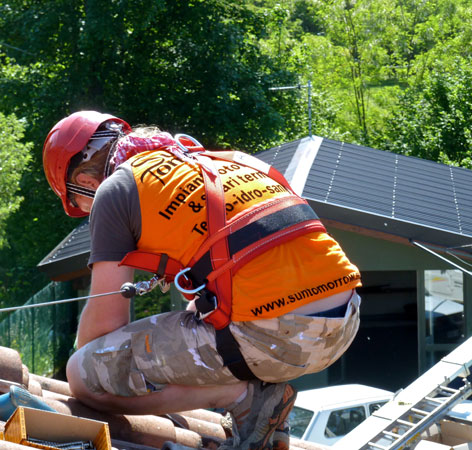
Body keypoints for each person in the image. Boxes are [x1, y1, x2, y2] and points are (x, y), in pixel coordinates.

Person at [43, 110, 362, 450]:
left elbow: (102, 328)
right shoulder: (219, 161)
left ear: (88, 183)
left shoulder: (116, 188)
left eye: (81, 203)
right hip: (344, 320)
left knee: (83, 374)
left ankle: (243, 397)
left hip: (277, 335)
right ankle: (261, 402)